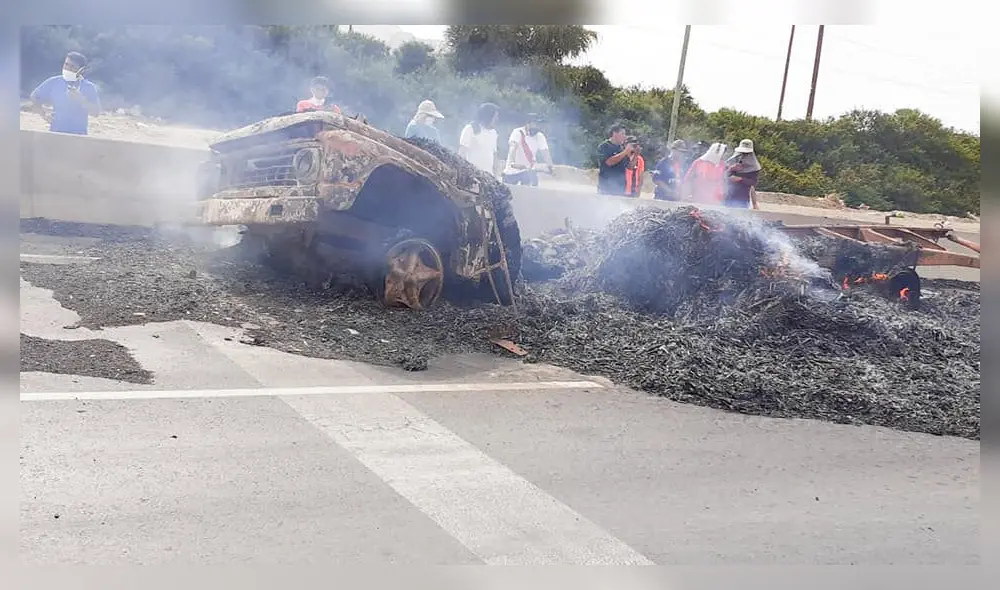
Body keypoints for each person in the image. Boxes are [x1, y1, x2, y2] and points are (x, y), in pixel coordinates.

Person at [29, 52, 102, 135]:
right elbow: (34, 97)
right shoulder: (54, 82)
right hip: (55, 134)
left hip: (79, 136)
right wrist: (44, 114)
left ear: (81, 70)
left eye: (72, 67)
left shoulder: (88, 87)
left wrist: (81, 99)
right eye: (66, 64)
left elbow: (96, 113)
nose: (67, 69)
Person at [502, 113, 553, 186]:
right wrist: (513, 163)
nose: (537, 126)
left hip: (528, 171)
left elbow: (545, 153)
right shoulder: (518, 132)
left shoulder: (540, 136)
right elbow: (513, 148)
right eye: (534, 124)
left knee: (531, 182)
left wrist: (550, 166)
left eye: (538, 124)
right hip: (512, 171)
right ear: (527, 124)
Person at [458, 102, 500, 177]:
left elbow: (494, 156)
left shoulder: (494, 133)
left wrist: (496, 176)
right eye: (495, 117)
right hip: (473, 175)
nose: (497, 120)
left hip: (489, 176)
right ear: (488, 117)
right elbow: (462, 154)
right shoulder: (471, 129)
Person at [724, 139, 762, 209]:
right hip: (727, 196)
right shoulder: (731, 162)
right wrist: (730, 169)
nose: (742, 155)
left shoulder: (754, 167)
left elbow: (753, 182)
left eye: (745, 153)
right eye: (741, 152)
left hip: (742, 199)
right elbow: (722, 177)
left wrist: (740, 179)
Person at [596, 123, 633, 196]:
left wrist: (635, 155)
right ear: (614, 133)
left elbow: (629, 167)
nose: (624, 137)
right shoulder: (604, 146)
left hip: (620, 189)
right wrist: (625, 152)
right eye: (622, 134)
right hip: (606, 188)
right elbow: (609, 162)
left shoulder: (622, 148)